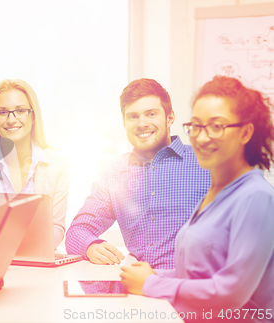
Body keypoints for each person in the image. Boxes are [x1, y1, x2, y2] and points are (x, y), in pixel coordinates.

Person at [120, 76, 274, 321]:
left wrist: (150, 284)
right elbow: (197, 276)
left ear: (245, 132)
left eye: (216, 126)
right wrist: (153, 276)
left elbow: (231, 292)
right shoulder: (217, 192)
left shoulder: (256, 197)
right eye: (197, 126)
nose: (201, 138)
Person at [65, 78, 210, 269]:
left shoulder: (207, 163)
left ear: (170, 117)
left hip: (194, 288)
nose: (142, 123)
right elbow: (77, 232)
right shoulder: (113, 173)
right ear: (124, 123)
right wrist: (91, 246)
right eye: (133, 116)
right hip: (138, 289)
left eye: (151, 114)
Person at [0, 79, 70, 248]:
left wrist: (29, 250)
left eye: (20, 110)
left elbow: (57, 227)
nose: (11, 119)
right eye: (2, 112)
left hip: (37, 264)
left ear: (33, 117)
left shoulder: (57, 164)